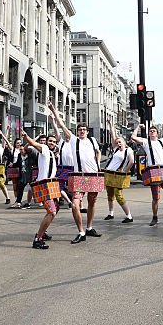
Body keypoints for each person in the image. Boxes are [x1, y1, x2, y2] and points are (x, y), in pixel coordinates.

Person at [50, 103, 102, 243]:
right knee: (74, 204)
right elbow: (61, 125)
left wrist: (97, 165)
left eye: (84, 129)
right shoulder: (73, 140)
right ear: (77, 131)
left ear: (88, 131)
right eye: (80, 130)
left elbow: (98, 152)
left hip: (93, 175)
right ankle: (81, 231)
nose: (82, 131)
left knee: (92, 202)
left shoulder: (92, 141)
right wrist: (54, 111)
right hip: (79, 176)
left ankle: (89, 227)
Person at [21, 130, 60, 250]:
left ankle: (43, 231)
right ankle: (38, 238)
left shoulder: (52, 154)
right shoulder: (44, 149)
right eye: (50, 141)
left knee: (56, 208)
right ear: (46, 142)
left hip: (52, 185)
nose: (52, 143)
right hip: (44, 186)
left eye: (54, 141)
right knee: (52, 212)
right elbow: (34, 143)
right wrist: (26, 136)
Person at [103, 123, 135, 223]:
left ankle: (129, 216)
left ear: (124, 142)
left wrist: (125, 170)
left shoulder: (128, 150)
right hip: (109, 173)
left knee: (119, 196)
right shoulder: (116, 149)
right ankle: (111, 213)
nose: (118, 144)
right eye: (117, 142)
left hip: (118, 175)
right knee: (110, 194)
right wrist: (110, 126)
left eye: (120, 142)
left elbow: (132, 162)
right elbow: (113, 136)